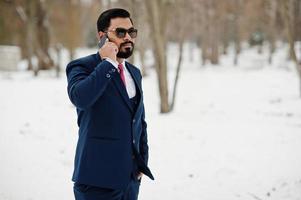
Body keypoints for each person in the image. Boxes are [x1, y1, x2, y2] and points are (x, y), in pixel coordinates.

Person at [66, 8, 154, 200]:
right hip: (96, 181)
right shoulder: (81, 67)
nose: (128, 37)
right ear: (102, 36)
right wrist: (108, 63)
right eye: (120, 32)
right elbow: (80, 98)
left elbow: (139, 121)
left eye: (131, 32)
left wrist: (141, 161)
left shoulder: (135, 73)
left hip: (130, 181)